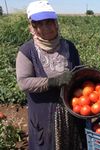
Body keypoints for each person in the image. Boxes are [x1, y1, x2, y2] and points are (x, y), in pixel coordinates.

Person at [16, 1, 84, 149]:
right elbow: (24, 82)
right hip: (45, 117)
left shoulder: (69, 47)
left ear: (56, 23)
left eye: (50, 22)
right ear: (33, 27)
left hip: (71, 112)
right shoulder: (27, 51)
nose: (46, 28)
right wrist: (54, 81)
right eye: (40, 24)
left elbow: (77, 73)